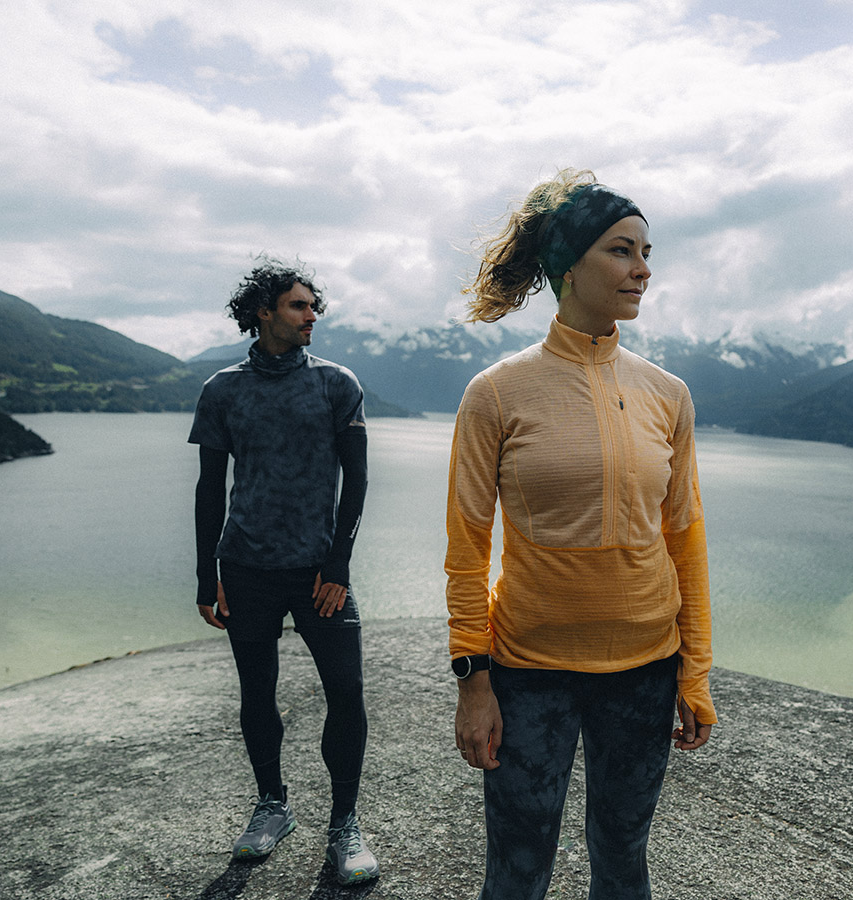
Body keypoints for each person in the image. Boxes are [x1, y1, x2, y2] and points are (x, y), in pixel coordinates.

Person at [446, 169, 716, 900]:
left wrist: (694, 672)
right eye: (622, 251)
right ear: (569, 265)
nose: (643, 269)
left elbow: (684, 541)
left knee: (624, 858)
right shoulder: (496, 393)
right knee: (517, 867)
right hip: (529, 671)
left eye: (647, 252)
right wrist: (473, 682)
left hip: (646, 669)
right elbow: (467, 550)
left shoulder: (668, 395)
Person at [188, 256, 379, 885]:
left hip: (318, 572)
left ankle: (344, 824)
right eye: (298, 305)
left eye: (313, 306)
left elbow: (357, 481)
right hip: (246, 567)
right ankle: (272, 805)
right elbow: (209, 489)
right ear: (263, 311)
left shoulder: (335, 383)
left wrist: (338, 565)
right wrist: (206, 574)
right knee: (256, 693)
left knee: (346, 693)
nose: (311, 315)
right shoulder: (222, 389)